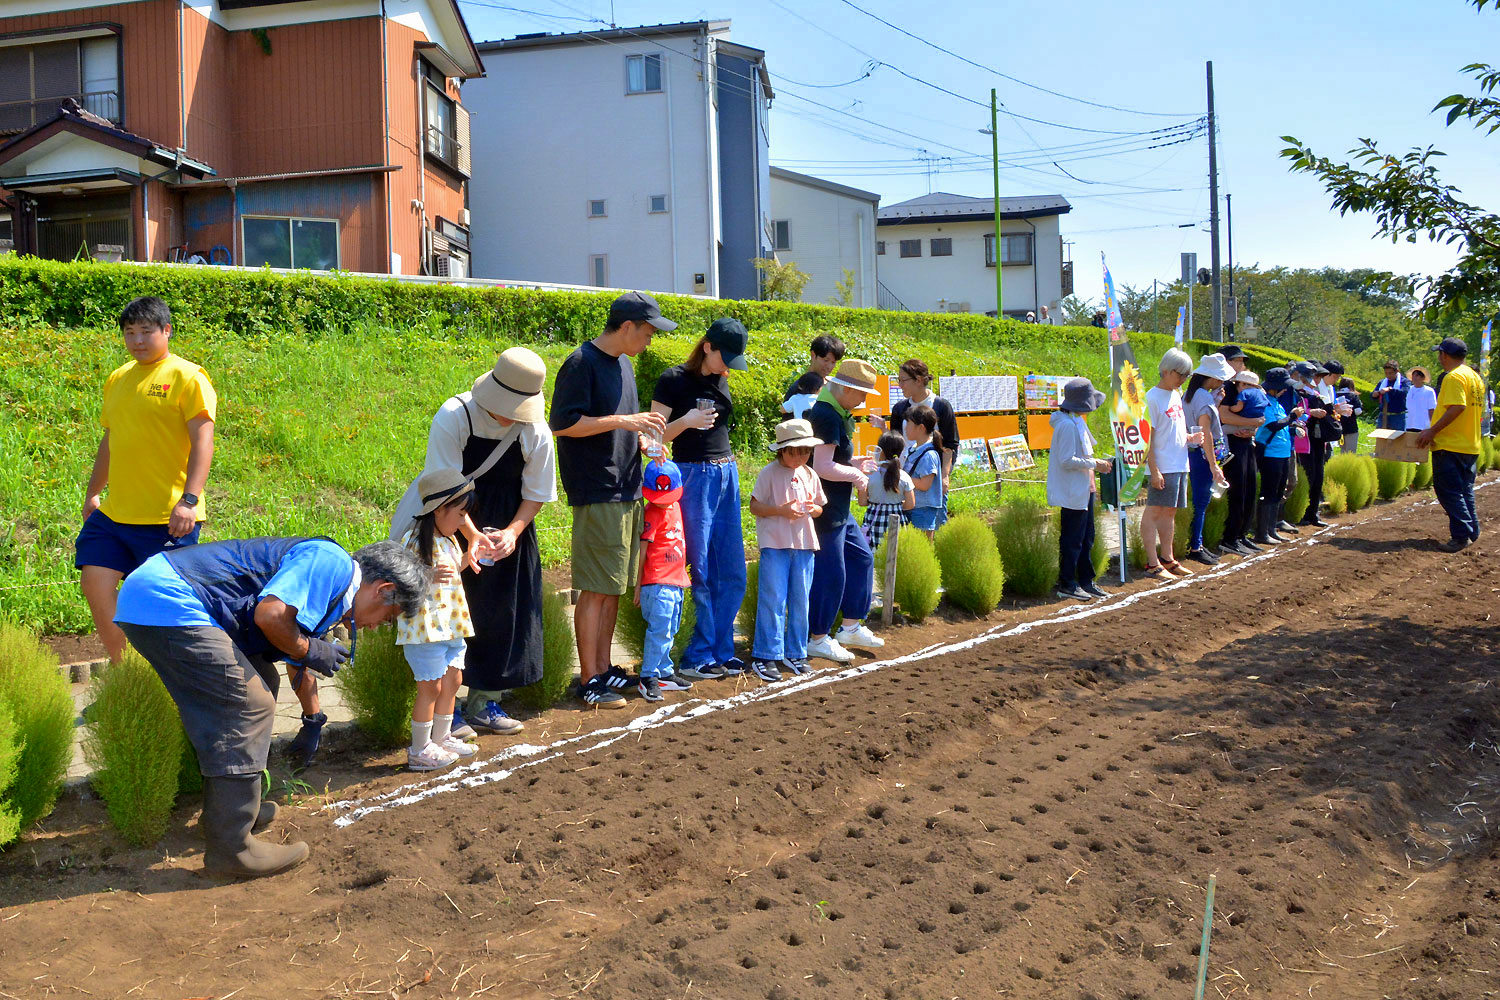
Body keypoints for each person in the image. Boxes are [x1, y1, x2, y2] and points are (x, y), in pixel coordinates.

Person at [114, 538, 428, 877]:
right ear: (383, 589)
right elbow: (272, 615)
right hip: (169, 597)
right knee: (248, 703)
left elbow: (294, 650)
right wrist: (310, 647)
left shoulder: (334, 592)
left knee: (263, 678)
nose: (377, 625)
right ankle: (231, 849)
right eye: (389, 616)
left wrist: (313, 719)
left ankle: (228, 811)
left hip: (162, 596)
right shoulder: (331, 563)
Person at [401, 347, 557, 737]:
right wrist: (469, 535)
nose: (509, 414)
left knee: (503, 610)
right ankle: (445, 711)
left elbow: (537, 489)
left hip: (507, 520)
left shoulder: (535, 429)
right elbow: (441, 487)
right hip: (446, 515)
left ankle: (487, 699)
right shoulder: (455, 415)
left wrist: (511, 533)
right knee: (446, 612)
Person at [76, 296, 216, 664]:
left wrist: (189, 500)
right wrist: (94, 493)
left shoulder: (188, 376)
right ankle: (129, 676)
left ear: (166, 331)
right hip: (115, 514)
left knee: (162, 609)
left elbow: (204, 439)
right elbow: (111, 439)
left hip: (166, 518)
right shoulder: (118, 378)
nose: (137, 340)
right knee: (95, 585)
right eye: (129, 333)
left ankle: (180, 679)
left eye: (146, 332)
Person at [550, 291, 672, 709]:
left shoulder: (624, 365)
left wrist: (644, 441)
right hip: (597, 488)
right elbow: (563, 425)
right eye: (649, 331)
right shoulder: (581, 363)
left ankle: (603, 669)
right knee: (595, 589)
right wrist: (624, 420)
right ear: (626, 327)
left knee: (614, 586)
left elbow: (623, 426)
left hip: (628, 485)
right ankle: (589, 680)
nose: (651, 339)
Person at [651, 317, 750, 683]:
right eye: (725, 358)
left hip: (726, 473)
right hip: (693, 474)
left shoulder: (721, 377)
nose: (728, 368)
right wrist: (687, 421)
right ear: (707, 346)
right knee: (701, 566)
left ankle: (722, 650)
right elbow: (653, 438)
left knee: (733, 568)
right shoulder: (673, 379)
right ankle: (697, 654)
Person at [397, 470, 482, 771]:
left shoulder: (449, 541)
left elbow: (449, 572)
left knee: (452, 680)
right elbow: (403, 581)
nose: (463, 523)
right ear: (438, 509)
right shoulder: (413, 540)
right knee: (430, 687)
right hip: (425, 629)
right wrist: (429, 575)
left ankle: (442, 737)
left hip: (450, 625)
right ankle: (419, 748)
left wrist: (466, 560)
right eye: (459, 515)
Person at [806, 359, 884, 663]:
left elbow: (832, 460)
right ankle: (818, 637)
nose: (864, 401)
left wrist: (855, 464)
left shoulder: (837, 411)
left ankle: (850, 625)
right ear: (846, 389)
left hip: (839, 506)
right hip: (825, 507)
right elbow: (822, 466)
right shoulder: (826, 414)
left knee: (861, 557)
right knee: (832, 573)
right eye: (862, 394)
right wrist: (857, 475)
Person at [748, 419, 827, 683]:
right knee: (774, 600)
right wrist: (781, 510)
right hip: (775, 543)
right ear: (780, 450)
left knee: (800, 600)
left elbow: (819, 506)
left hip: (804, 544)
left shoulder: (809, 473)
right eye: (793, 451)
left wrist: (813, 509)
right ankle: (766, 655)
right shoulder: (768, 473)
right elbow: (755, 507)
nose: (799, 456)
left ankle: (796, 652)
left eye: (804, 451)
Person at [1047, 378, 1114, 601]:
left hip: (1085, 488)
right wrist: (1096, 463)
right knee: (1072, 539)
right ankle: (1067, 582)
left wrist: (1094, 465)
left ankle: (1086, 580)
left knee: (1087, 538)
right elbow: (1067, 460)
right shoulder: (1067, 425)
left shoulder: (1075, 420)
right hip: (1073, 491)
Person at [1416, 337, 1485, 551]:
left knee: (1449, 492)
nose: (1439, 357)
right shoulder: (1474, 377)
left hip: (1450, 445)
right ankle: (1472, 530)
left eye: (1440, 354)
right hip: (1469, 443)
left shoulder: (1453, 377)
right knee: (1464, 490)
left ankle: (1461, 535)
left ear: (1444, 355)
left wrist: (1432, 430)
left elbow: (1457, 407)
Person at [634, 458, 694, 701]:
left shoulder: (676, 507)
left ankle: (665, 672)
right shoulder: (651, 513)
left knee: (670, 629)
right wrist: (638, 585)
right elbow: (642, 551)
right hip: (657, 582)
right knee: (658, 631)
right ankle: (647, 676)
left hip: (676, 581)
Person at [1141, 348, 1202, 580]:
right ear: (1166, 371)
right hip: (1163, 465)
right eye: (1180, 374)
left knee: (1170, 512)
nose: (1183, 379)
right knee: (1154, 512)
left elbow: (1173, 432)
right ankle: (1152, 562)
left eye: (1186, 375)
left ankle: (1167, 558)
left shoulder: (1176, 394)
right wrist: (1154, 470)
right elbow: (1148, 439)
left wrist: (1190, 439)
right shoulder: (1152, 398)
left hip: (1179, 463)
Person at [1183, 354, 1234, 565]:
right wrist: (1214, 465)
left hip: (1189, 453)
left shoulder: (1190, 394)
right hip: (1201, 455)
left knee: (1196, 501)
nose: (1222, 382)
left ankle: (1196, 543)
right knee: (1201, 501)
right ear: (1211, 378)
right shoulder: (1203, 398)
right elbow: (1206, 433)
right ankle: (1196, 546)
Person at [890, 359, 961, 497]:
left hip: (932, 476)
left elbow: (950, 444)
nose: (900, 385)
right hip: (906, 476)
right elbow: (896, 444)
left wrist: (944, 476)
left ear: (918, 380)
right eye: (899, 380)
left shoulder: (941, 406)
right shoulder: (899, 408)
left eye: (903, 380)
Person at [1253, 369, 1304, 545]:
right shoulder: (1265, 403)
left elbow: (1282, 425)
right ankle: (1262, 533)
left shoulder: (1277, 403)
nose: (1285, 390)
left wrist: (1293, 427)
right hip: (1270, 455)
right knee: (1268, 492)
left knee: (1278, 492)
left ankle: (1271, 529)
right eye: (1282, 387)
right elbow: (1273, 426)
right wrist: (1292, 417)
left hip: (1282, 454)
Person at [1220, 370, 1269, 554]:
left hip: (1247, 443)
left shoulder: (1252, 397)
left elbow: (1261, 420)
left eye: (1251, 386)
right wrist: (1252, 422)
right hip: (1234, 445)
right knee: (1238, 492)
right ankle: (1231, 537)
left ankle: (1241, 535)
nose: (1247, 388)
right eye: (1244, 384)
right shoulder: (1230, 394)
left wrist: (1252, 427)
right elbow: (1225, 417)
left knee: (1250, 490)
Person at [1294, 361, 1336, 528]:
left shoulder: (1315, 393)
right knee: (1308, 475)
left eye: (1319, 376)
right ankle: (1303, 512)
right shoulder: (1298, 392)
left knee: (1318, 475)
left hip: (1318, 439)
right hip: (1306, 439)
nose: (1318, 379)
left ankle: (1313, 512)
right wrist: (1312, 412)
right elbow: (1295, 411)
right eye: (1316, 376)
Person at [859, 430, 915, 551]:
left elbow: (862, 502)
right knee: (894, 556)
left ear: (881, 451)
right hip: (896, 520)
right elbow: (910, 504)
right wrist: (895, 505)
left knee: (873, 555)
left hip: (873, 521)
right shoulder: (904, 476)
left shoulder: (869, 475)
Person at [902, 404, 946, 538]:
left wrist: (902, 478)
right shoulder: (915, 449)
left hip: (923, 509)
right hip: (914, 506)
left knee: (923, 548)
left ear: (921, 427)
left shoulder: (929, 455)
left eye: (909, 423)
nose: (905, 427)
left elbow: (925, 484)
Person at [782, 334, 845, 409]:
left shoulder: (833, 385)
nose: (829, 367)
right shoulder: (800, 388)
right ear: (813, 355)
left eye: (833, 362)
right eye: (826, 360)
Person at [1373, 361, 1411, 430]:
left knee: (1398, 439)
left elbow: (1404, 393)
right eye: (1386, 373)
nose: (1388, 376)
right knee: (1381, 439)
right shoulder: (1382, 382)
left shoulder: (1404, 382)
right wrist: (1375, 394)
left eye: (1390, 373)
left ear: (1397, 371)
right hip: (1383, 415)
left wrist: (1390, 390)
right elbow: (1373, 395)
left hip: (1398, 416)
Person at [1406, 367, 1438, 432]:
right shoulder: (1408, 390)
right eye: (1413, 376)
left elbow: (1432, 409)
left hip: (1422, 426)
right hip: (1408, 424)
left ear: (1423, 378)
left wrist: (1432, 425)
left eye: (1417, 376)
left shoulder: (1429, 391)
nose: (1414, 378)